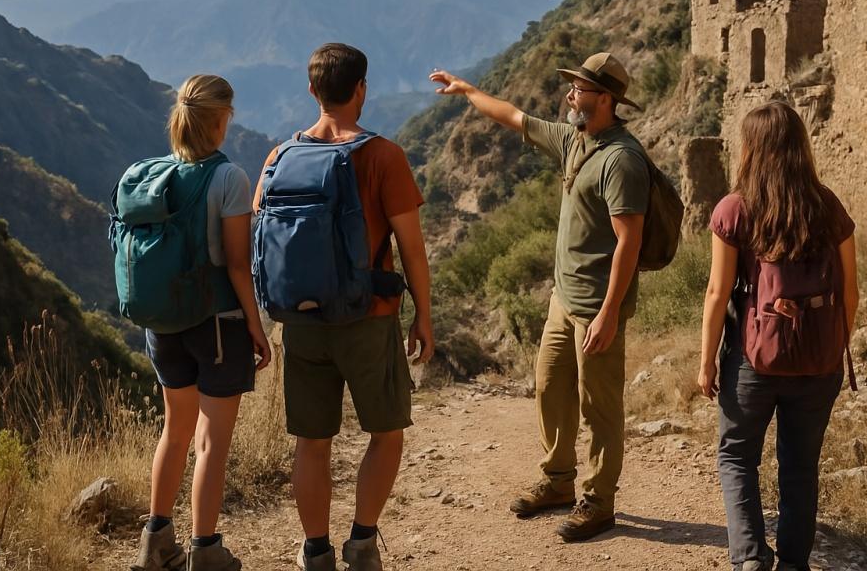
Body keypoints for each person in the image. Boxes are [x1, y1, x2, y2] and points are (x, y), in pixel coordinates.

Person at [430, 52, 649, 542]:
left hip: (597, 308)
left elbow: (629, 243)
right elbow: (512, 116)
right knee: (551, 388)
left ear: (606, 99)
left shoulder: (621, 160)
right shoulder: (575, 139)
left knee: (600, 408)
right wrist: (466, 90)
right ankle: (558, 483)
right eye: (571, 88)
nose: (570, 95)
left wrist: (610, 313)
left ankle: (599, 501)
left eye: (580, 89)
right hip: (562, 300)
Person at [255, 43, 435, 571]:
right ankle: (361, 542)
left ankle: (315, 552)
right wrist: (422, 314)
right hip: (368, 319)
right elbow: (411, 248)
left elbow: (263, 239)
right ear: (362, 90)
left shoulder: (279, 157)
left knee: (311, 443)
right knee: (386, 432)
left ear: (312, 91)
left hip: (302, 324)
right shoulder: (383, 156)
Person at [697, 102, 859, 571]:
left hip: (753, 358)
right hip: (818, 360)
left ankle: (750, 559)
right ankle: (792, 564)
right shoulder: (828, 207)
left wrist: (707, 360)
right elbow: (851, 292)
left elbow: (716, 291)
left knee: (736, 458)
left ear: (752, 148)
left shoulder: (735, 209)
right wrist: (828, 344)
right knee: (800, 468)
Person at [131, 74, 272, 571]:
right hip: (216, 326)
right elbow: (237, 264)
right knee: (211, 441)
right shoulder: (228, 177)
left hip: (163, 325)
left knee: (175, 431)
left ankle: (155, 543)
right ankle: (205, 550)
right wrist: (256, 326)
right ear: (219, 119)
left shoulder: (158, 175)